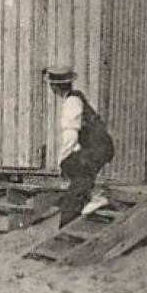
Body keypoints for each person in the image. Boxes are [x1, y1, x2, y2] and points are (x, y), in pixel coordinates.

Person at [44, 65, 116, 229]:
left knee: (70, 169)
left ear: (54, 87)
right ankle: (92, 196)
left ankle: (92, 199)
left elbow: (71, 136)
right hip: (98, 148)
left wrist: (62, 160)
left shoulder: (71, 103)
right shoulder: (77, 98)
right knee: (77, 175)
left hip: (98, 148)